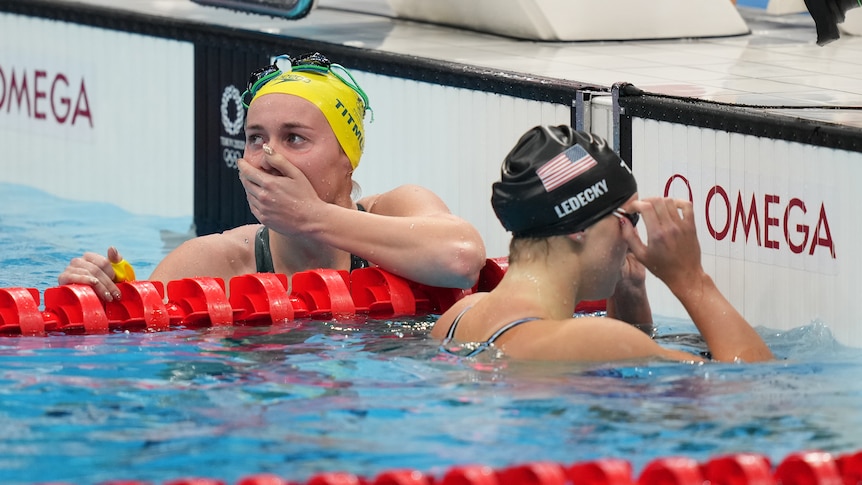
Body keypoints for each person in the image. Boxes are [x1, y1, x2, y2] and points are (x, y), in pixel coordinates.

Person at [59, 53, 486, 301]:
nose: (268, 156)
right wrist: (106, 293)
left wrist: (311, 217)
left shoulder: (399, 211)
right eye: (255, 138)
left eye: (295, 138)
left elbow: (463, 260)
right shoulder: (215, 263)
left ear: (346, 157)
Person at [431, 125, 774, 363]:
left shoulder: (461, 317)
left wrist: (630, 292)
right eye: (629, 219)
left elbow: (618, 381)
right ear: (578, 226)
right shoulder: (588, 341)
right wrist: (691, 279)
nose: (631, 239)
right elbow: (756, 394)